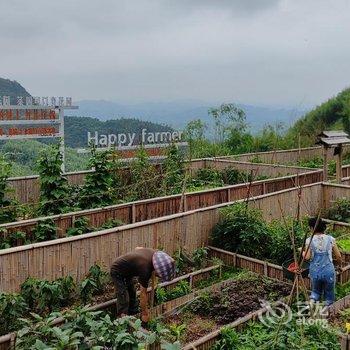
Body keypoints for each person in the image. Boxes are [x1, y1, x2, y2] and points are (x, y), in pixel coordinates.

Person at [110, 247, 175, 322]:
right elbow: (143, 294)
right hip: (117, 270)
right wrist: (144, 313)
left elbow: (138, 248)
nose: (159, 276)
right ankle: (122, 321)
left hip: (128, 271)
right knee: (123, 296)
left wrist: (135, 261)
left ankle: (133, 315)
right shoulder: (145, 269)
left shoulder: (153, 253)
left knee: (132, 292)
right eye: (160, 275)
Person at [302, 217, 343, 306]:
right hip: (328, 271)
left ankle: (311, 306)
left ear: (312, 228)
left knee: (315, 292)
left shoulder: (309, 240)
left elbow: (307, 257)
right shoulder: (330, 239)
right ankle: (328, 312)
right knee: (329, 294)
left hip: (315, 271)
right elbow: (339, 256)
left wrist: (302, 252)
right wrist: (340, 266)